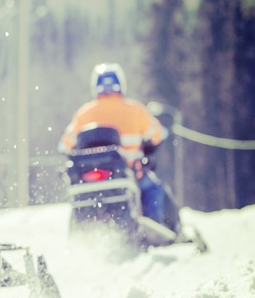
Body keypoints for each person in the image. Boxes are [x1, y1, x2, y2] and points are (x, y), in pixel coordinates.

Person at [58, 62, 178, 231]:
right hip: (128, 174)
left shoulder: (84, 113)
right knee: (154, 188)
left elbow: (64, 146)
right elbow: (158, 135)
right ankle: (155, 229)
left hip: (89, 179)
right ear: (121, 84)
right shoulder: (135, 110)